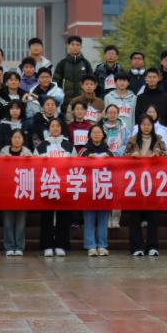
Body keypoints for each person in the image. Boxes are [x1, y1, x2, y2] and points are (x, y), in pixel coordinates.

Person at [124, 115, 167, 256]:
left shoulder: (159, 140)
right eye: (143, 124)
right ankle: (136, 247)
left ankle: (152, 246)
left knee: (153, 217)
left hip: (153, 182)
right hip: (135, 183)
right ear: (139, 126)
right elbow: (123, 158)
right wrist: (132, 155)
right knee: (135, 217)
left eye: (149, 124)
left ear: (153, 126)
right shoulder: (132, 140)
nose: (146, 127)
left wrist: (159, 155)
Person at [38, 117, 73, 257]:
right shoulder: (42, 145)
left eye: (58, 126)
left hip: (64, 184)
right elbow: (35, 165)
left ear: (61, 128)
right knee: (46, 217)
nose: (55, 128)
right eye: (52, 126)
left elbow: (75, 164)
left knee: (63, 217)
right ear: (49, 129)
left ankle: (61, 245)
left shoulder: (68, 145)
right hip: (47, 184)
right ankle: (47, 245)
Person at [0, 129, 34, 257]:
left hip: (22, 190)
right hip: (7, 191)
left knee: (21, 221)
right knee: (8, 221)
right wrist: (4, 162)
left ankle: (19, 246)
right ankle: (9, 246)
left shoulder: (28, 153)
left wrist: (29, 161)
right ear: (11, 139)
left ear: (23, 139)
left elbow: (34, 170)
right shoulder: (3, 152)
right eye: (15, 137)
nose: (17, 140)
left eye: (19, 137)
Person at [80, 124, 112, 256]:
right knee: (89, 218)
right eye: (94, 132)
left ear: (103, 135)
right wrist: (87, 160)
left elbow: (115, 169)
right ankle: (90, 245)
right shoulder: (84, 151)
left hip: (104, 188)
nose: (97, 134)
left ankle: (102, 245)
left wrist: (108, 161)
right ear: (89, 135)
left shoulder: (109, 152)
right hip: (88, 189)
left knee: (103, 218)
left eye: (99, 132)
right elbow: (76, 166)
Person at [53, 35, 92, 111]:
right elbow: (56, 84)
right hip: (66, 104)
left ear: (81, 47)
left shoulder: (86, 63)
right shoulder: (62, 64)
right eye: (72, 44)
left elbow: (91, 83)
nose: (75, 47)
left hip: (83, 104)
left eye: (78, 45)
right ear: (68, 46)